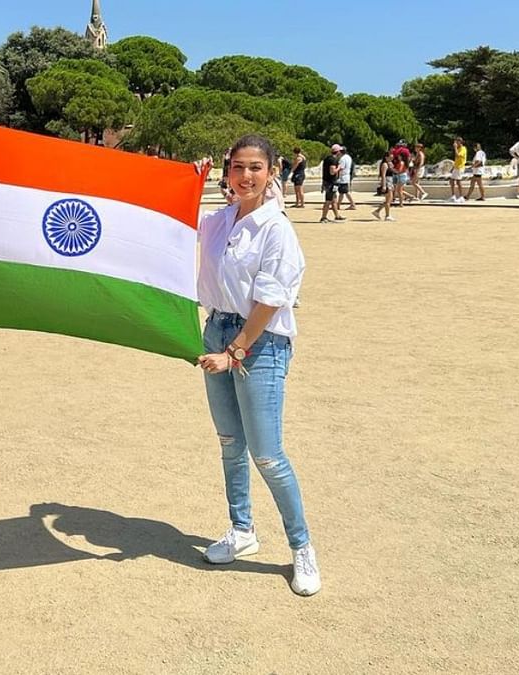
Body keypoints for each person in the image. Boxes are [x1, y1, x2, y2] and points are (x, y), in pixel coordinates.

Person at [192, 135, 320, 597]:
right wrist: (188, 180)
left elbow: (270, 299)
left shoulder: (276, 228)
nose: (246, 177)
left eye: (255, 168)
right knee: (230, 442)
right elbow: (173, 224)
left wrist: (236, 352)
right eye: (237, 168)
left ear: (272, 172)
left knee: (267, 452)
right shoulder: (220, 220)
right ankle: (242, 528)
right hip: (217, 332)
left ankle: (301, 546)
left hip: (258, 343)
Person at [320, 144, 343, 223]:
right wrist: (339, 168)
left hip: (328, 182)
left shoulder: (327, 159)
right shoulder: (333, 160)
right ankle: (323, 217)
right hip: (331, 183)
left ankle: (337, 215)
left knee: (334, 199)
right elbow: (332, 172)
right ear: (338, 152)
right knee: (328, 200)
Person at [335, 146, 355, 210]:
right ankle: (338, 205)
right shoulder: (348, 157)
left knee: (345, 192)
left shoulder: (342, 159)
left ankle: (352, 204)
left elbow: (341, 168)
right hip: (346, 176)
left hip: (343, 177)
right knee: (342, 192)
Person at [449, 137, 466, 203]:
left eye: (456, 142)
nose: (455, 143)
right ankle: (453, 196)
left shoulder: (463, 149)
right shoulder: (458, 148)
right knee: (451, 181)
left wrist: (455, 148)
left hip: (460, 167)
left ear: (460, 142)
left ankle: (461, 197)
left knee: (458, 181)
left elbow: (457, 155)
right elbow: (456, 159)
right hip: (456, 167)